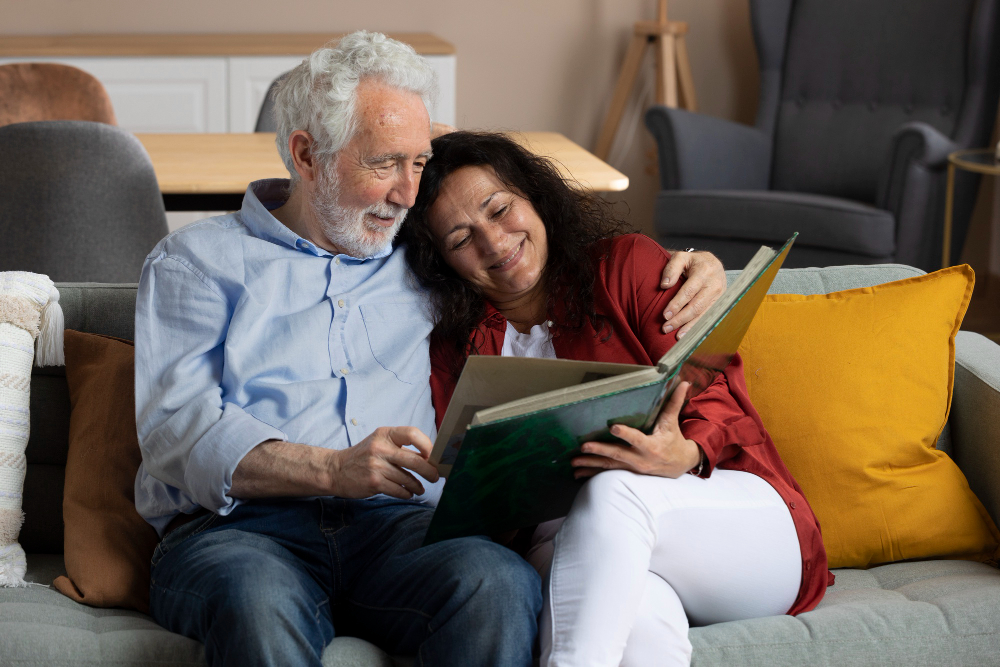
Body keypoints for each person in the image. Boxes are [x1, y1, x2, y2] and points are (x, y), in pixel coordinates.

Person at [133, 33, 728, 667]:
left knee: (495, 583)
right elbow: (175, 428)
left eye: (417, 164)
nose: (408, 193)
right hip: (240, 534)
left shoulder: (427, 255)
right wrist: (330, 470)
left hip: (401, 529)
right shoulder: (194, 263)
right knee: (255, 601)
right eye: (385, 165)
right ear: (306, 156)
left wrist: (699, 266)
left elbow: (532, 253)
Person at [401, 131, 831, 667]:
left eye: (500, 209)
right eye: (462, 238)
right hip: (576, 552)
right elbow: (468, 481)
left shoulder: (625, 267)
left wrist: (686, 453)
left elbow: (717, 390)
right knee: (642, 633)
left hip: (731, 526)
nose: (494, 242)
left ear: (533, 194)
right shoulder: (452, 347)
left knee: (612, 491)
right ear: (441, 260)